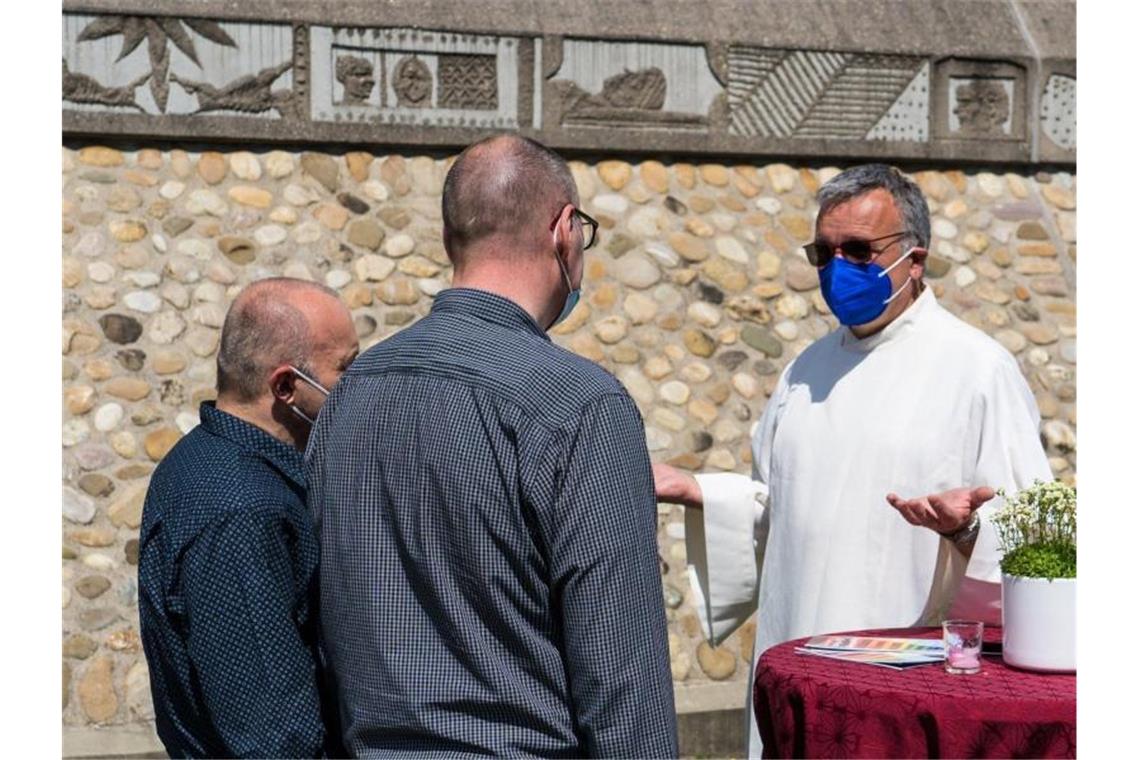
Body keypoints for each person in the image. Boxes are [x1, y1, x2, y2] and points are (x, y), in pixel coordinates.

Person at [652, 164, 1053, 756]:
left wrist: (967, 527)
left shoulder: (977, 370)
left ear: (914, 259)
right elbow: (781, 511)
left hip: (905, 691)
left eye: (860, 250)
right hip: (795, 662)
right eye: (824, 251)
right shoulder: (803, 370)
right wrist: (702, 493)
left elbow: (1039, 535)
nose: (839, 268)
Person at [306, 135, 678, 758]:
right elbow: (621, 679)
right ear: (565, 231)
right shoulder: (582, 405)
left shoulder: (351, 394)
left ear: (452, 239)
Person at [138, 277, 359, 758]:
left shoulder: (200, 460)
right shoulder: (242, 513)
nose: (356, 385)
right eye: (346, 367)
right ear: (286, 386)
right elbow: (275, 737)